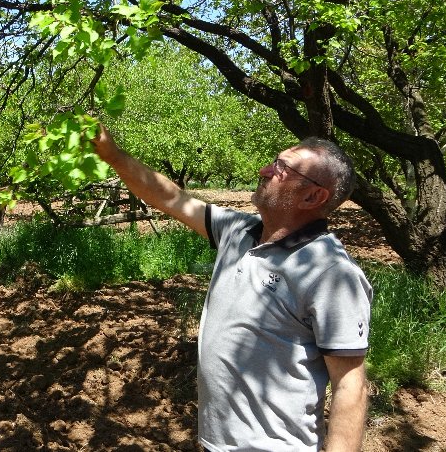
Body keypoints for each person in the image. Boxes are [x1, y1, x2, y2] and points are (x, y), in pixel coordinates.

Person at [92, 126, 372, 452]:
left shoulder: (332, 274)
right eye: (273, 163)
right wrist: (112, 155)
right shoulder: (238, 231)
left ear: (314, 196)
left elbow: (350, 385)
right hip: (215, 443)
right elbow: (169, 197)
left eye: (282, 169)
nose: (265, 171)